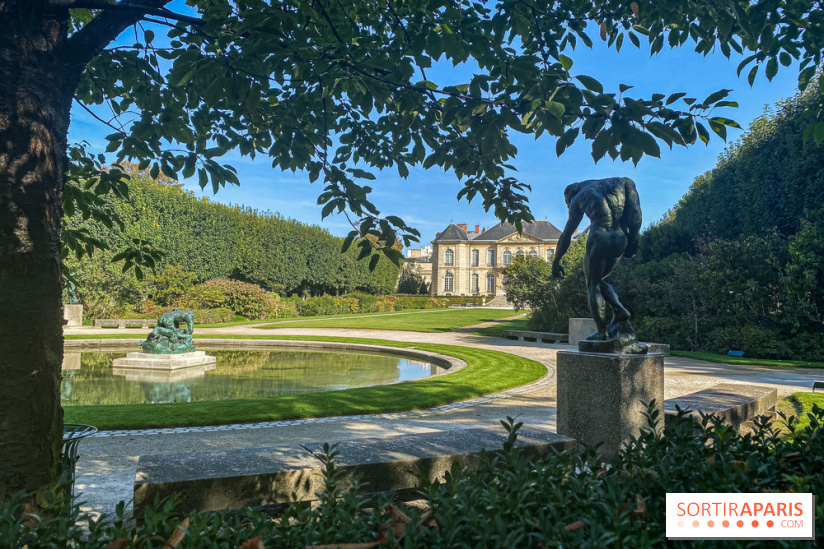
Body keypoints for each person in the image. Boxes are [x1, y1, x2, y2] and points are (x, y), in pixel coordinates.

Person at [552, 177, 642, 345]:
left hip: (599, 238)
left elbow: (566, 235)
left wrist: (556, 260)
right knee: (599, 280)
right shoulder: (624, 182)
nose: (568, 205)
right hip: (621, 238)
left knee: (593, 284)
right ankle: (620, 311)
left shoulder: (579, 197)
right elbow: (635, 212)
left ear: (571, 194)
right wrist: (634, 241)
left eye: (567, 203)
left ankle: (602, 332)